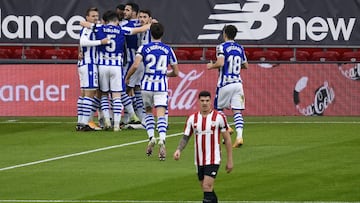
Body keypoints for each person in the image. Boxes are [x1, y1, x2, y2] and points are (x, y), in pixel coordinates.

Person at [81, 10, 152, 131]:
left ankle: (107, 121)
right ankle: (116, 125)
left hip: (102, 65)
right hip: (116, 66)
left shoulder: (99, 27)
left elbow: (83, 23)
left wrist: (88, 23)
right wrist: (151, 23)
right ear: (116, 21)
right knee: (117, 95)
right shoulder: (121, 29)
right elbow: (139, 30)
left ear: (105, 20)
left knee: (103, 94)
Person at [125, 23, 179, 160]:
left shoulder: (143, 47)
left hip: (147, 86)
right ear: (162, 34)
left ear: (150, 33)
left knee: (148, 112)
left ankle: (151, 137)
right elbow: (176, 72)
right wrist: (165, 74)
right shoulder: (168, 49)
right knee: (161, 115)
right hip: (161, 86)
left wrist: (128, 77)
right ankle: (162, 139)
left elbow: (136, 65)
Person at [173, 90, 233, 203]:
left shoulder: (219, 117)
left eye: (207, 100)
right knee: (206, 188)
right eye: (202, 101)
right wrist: (178, 150)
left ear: (211, 101)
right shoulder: (192, 118)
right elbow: (186, 137)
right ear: (198, 102)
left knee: (206, 186)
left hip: (213, 158)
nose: (204, 103)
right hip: (199, 160)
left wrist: (230, 160)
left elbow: (227, 139)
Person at [206, 25, 248, 148]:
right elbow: (245, 65)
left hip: (225, 83)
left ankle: (227, 127)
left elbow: (221, 63)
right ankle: (239, 137)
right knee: (237, 112)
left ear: (224, 34)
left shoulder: (221, 47)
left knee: (218, 109)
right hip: (238, 83)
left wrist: (211, 66)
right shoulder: (240, 48)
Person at [76, 7, 109, 131]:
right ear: (87, 18)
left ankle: (80, 122)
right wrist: (101, 42)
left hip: (84, 63)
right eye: (93, 16)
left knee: (84, 93)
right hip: (89, 64)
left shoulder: (90, 28)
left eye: (96, 16)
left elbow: (81, 43)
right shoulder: (87, 28)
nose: (95, 18)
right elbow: (83, 42)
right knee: (90, 93)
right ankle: (85, 123)